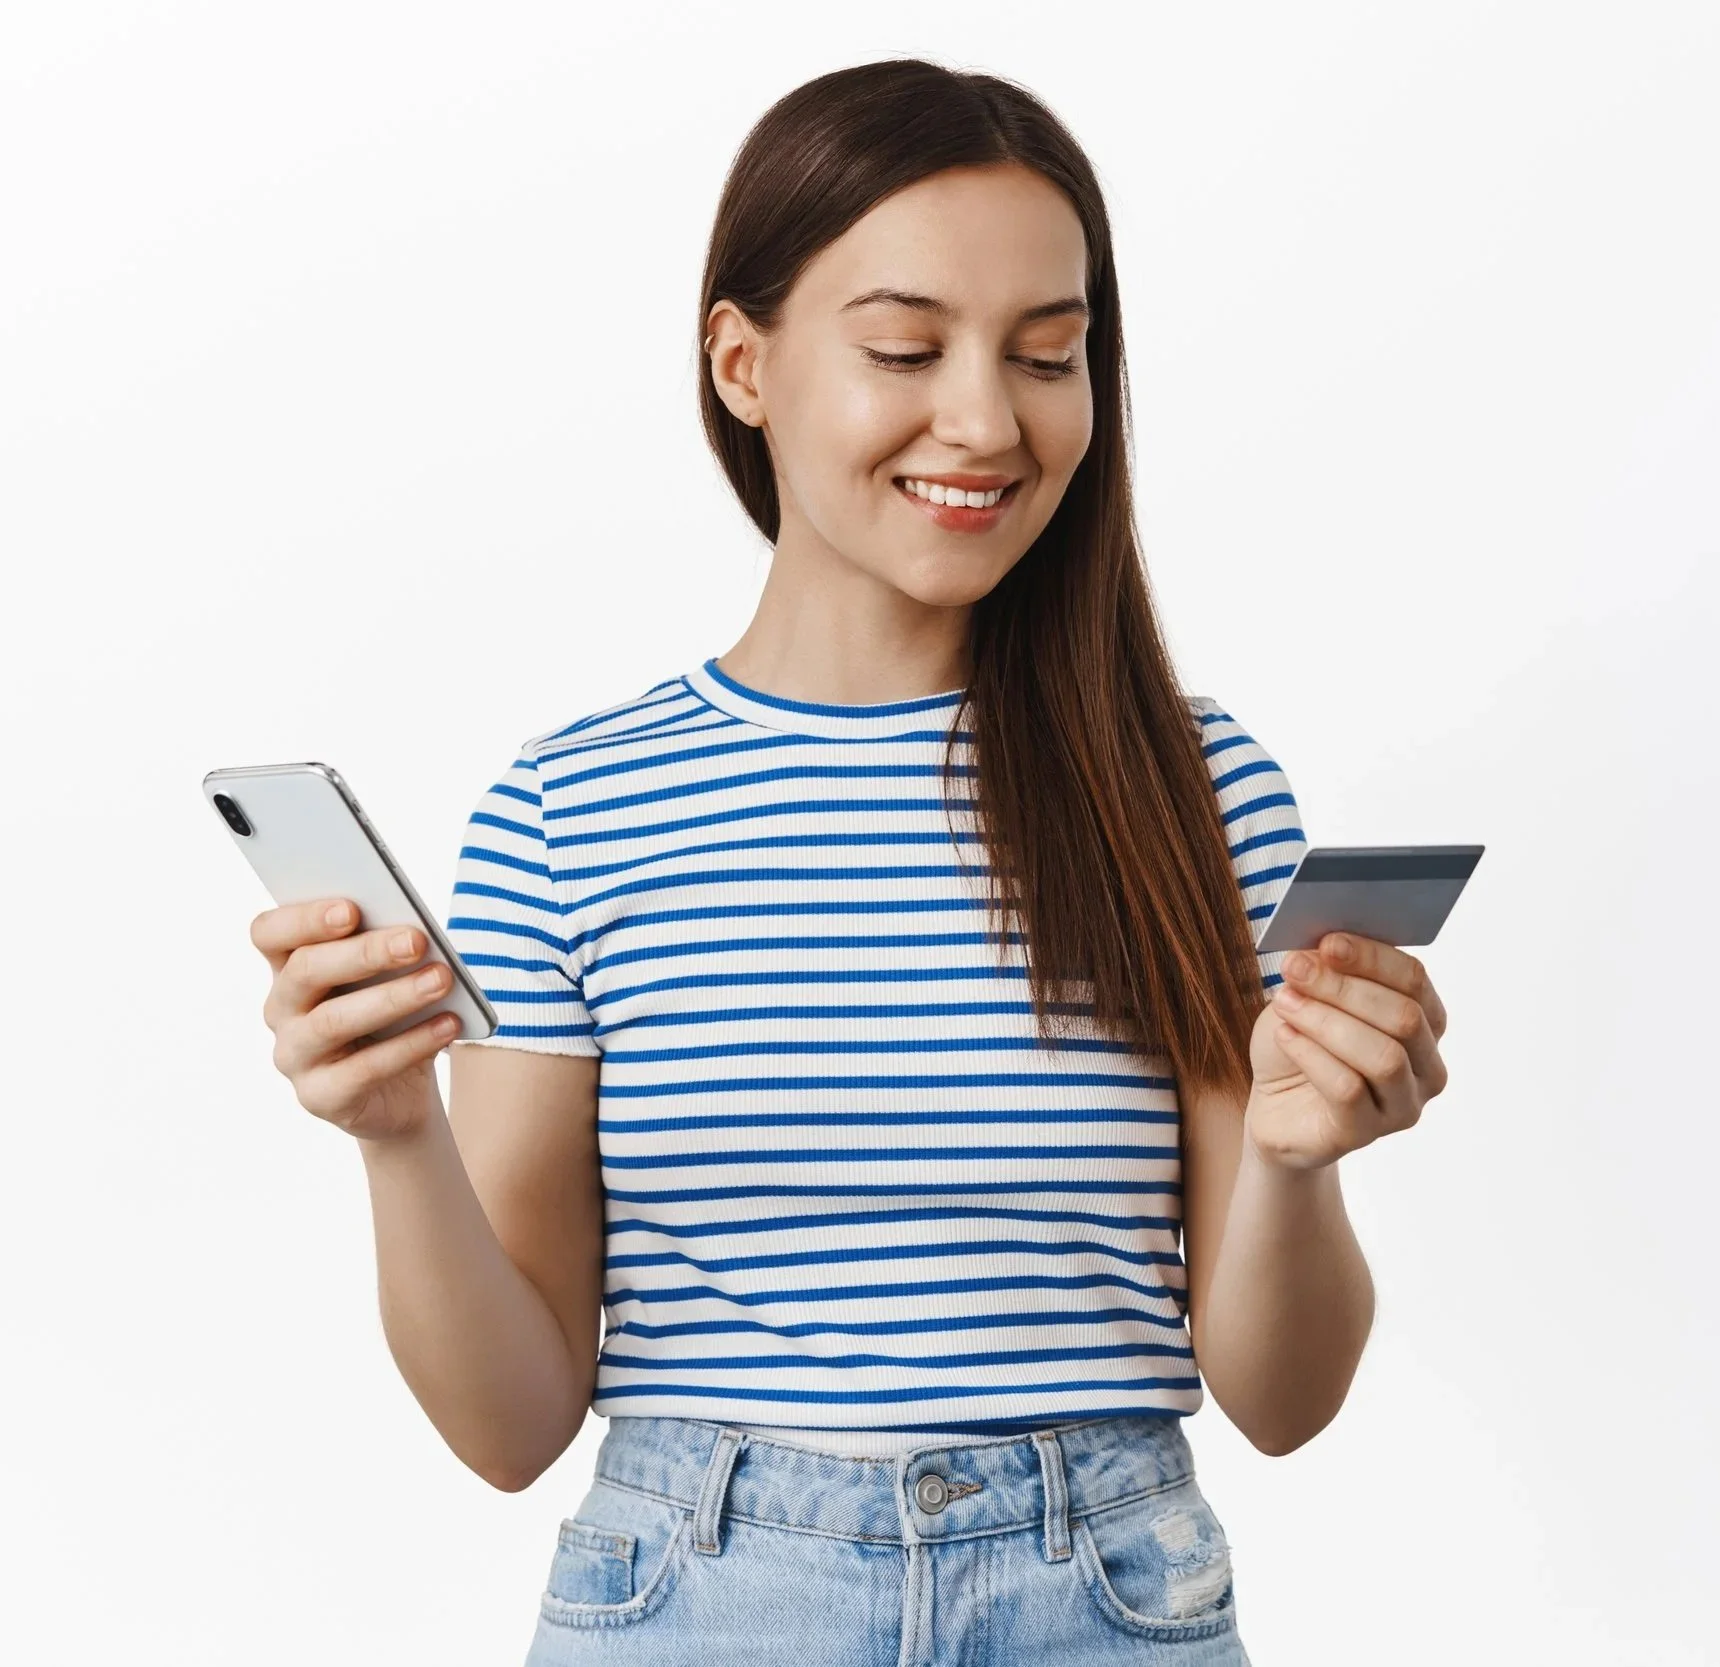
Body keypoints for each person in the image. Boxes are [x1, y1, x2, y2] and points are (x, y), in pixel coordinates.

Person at [247, 56, 1453, 1665]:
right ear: (742, 363)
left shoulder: (1196, 786)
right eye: (905, 346)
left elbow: (1285, 1401)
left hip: (1104, 1597)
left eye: (1049, 354)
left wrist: (1302, 1163)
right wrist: (396, 1134)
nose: (986, 419)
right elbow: (510, 1425)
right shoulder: (568, 813)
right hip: (697, 1594)